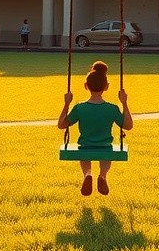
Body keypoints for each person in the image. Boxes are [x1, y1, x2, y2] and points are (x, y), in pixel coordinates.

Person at [57, 60, 133, 196]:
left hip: (85, 145)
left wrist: (66, 104)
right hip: (105, 146)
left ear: (86, 86)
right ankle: (102, 176)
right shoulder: (112, 108)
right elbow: (128, 126)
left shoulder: (80, 108)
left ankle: (87, 174)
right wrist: (124, 103)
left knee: (84, 155)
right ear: (107, 87)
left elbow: (61, 125)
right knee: (106, 155)